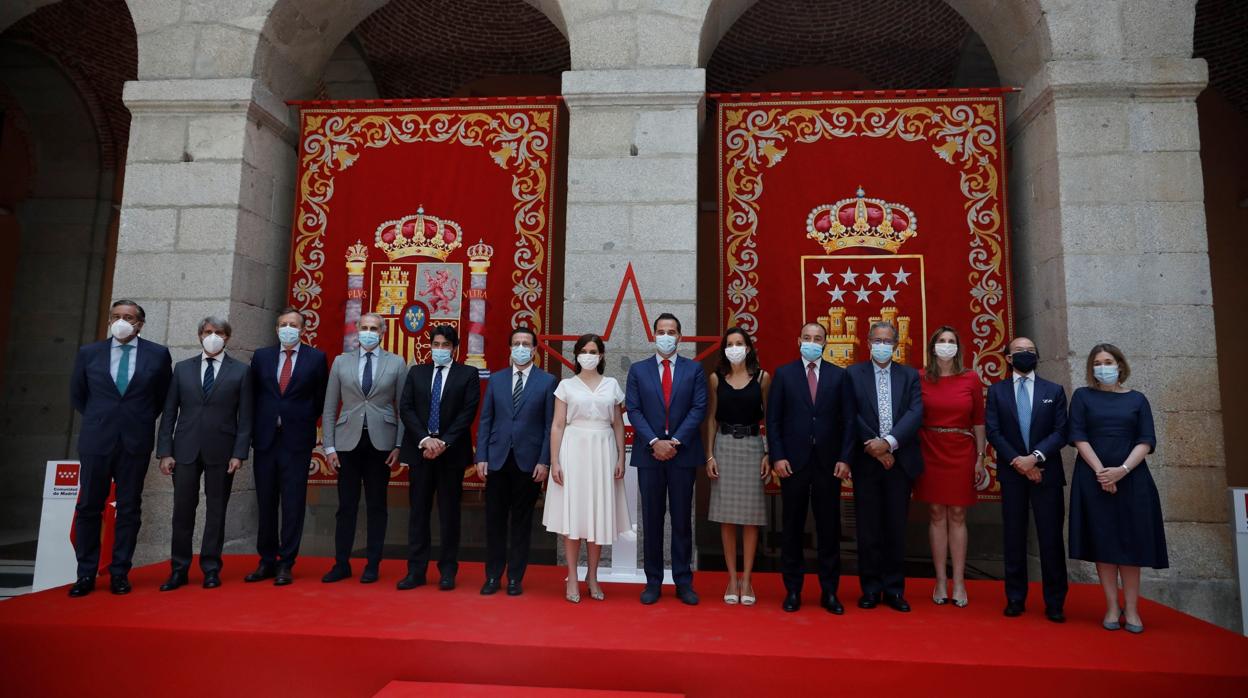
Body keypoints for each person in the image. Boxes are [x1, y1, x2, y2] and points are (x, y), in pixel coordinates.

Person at [67, 300, 172, 597]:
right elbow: (78, 395)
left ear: (140, 323)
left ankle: (119, 572)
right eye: (116, 316)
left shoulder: (158, 354)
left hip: (134, 441)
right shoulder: (89, 353)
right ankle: (85, 573)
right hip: (97, 440)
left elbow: (161, 397)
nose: (121, 321)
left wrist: (134, 420)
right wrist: (104, 419)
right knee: (89, 506)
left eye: (128, 317)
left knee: (128, 508)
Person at [1068, 344, 1167, 634]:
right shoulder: (1083, 396)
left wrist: (1121, 471)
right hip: (1093, 477)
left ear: (1120, 365)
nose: (1103, 367)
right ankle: (1112, 605)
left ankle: (1133, 609)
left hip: (1132, 479)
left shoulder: (1138, 399)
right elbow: (1078, 435)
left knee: (1131, 544)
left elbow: (1146, 440)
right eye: (1097, 363)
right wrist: (1102, 472)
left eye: (1108, 361)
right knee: (1104, 542)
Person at [156, 316, 252, 591]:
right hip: (184, 450)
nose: (213, 336)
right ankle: (179, 569)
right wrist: (165, 451)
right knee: (183, 511)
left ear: (227, 338)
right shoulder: (183, 368)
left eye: (218, 332)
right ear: (199, 335)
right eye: (208, 332)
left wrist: (239, 453)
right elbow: (169, 412)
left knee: (216, 511)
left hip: (222, 451)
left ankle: (211, 568)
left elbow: (245, 417)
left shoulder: (241, 371)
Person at [765, 322, 854, 614]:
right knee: (792, 528)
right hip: (793, 463)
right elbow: (774, 420)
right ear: (798, 340)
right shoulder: (784, 374)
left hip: (829, 464)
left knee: (829, 529)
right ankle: (793, 590)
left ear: (825, 343)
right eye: (807, 338)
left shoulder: (840, 375)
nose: (812, 342)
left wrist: (845, 458)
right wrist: (777, 456)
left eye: (818, 338)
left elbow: (848, 422)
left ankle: (830, 592)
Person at [985, 336, 1069, 622]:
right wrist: (1019, 463)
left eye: (1030, 351)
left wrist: (1035, 458)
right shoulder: (996, 392)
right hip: (1012, 473)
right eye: (1018, 351)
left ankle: (1055, 601)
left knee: (1051, 539)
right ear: (1008, 358)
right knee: (1014, 537)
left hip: (1046, 473)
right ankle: (1015, 598)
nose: (1024, 355)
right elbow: (994, 432)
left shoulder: (1054, 391)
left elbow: (1061, 432)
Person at [626, 313, 708, 606]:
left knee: (682, 520)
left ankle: (683, 581)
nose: (666, 336)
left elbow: (699, 408)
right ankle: (653, 581)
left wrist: (674, 441)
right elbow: (634, 410)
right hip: (649, 456)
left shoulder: (694, 369)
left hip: (682, 455)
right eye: (661, 331)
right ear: (653, 335)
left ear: (680, 337)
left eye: (671, 331)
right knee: (651, 519)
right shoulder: (638, 370)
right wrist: (654, 442)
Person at [543, 334, 630, 603]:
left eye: (594, 350)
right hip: (573, 450)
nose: (589, 355)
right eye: (584, 350)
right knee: (574, 516)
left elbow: (617, 424)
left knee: (597, 515)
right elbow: (557, 424)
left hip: (603, 451)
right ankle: (571, 575)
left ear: (602, 355)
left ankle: (592, 576)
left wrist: (620, 458)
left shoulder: (612, 385)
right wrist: (555, 460)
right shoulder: (566, 386)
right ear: (577, 354)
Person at [320, 313, 406, 585]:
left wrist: (399, 444)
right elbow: (331, 407)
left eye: (374, 328)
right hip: (347, 442)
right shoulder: (341, 362)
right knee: (346, 506)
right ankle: (341, 563)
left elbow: (403, 407)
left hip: (381, 442)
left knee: (377, 505)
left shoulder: (396, 362)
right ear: (356, 330)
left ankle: (372, 563)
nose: (368, 332)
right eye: (364, 327)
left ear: (382, 332)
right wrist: (329, 446)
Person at [247, 307, 328, 586]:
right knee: (266, 500)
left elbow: (319, 399)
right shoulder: (261, 357)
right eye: (283, 324)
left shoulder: (316, 358)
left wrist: (298, 419)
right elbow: (253, 396)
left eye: (293, 324)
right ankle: (266, 560)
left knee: (293, 502)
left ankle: (286, 562)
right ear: (276, 329)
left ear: (303, 329)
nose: (288, 329)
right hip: (266, 439)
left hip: (296, 439)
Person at [846, 320, 923, 612]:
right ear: (867, 342)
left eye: (887, 340)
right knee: (868, 529)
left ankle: (893, 590)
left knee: (895, 528)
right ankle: (870, 588)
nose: (882, 345)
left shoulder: (909, 376)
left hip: (899, 462)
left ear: (896, 344)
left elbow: (915, 413)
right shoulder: (853, 374)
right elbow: (850, 413)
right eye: (877, 340)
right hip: (866, 461)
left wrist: (889, 443)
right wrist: (875, 447)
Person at [397, 325, 481, 591]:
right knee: (418, 513)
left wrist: (443, 442)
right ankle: (416, 571)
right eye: (436, 344)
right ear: (430, 346)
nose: (440, 349)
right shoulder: (417, 372)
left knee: (449, 514)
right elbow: (406, 408)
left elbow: (467, 413)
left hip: (451, 454)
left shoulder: (467, 374)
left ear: (455, 348)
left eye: (446, 345)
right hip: (421, 451)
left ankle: (447, 571)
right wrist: (425, 439)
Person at [476, 327, 556, 596]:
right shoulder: (497, 380)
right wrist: (482, 456)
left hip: (529, 461)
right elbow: (486, 419)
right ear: (510, 348)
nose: (521, 348)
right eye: (516, 343)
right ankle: (492, 576)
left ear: (534, 350)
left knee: (521, 522)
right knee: (494, 520)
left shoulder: (547, 381)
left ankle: (515, 577)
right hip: (497, 459)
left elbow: (549, 426)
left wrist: (544, 461)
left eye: (526, 344)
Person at [913, 326, 986, 608]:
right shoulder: (920, 377)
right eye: (941, 341)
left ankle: (959, 581)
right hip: (929, 447)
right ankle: (940, 579)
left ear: (958, 347)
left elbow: (979, 420)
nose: (946, 345)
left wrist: (980, 456)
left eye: (951, 341)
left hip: (962, 449)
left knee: (957, 513)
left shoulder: (971, 378)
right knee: (935, 512)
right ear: (933, 347)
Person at [705, 327, 771, 606]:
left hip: (754, 446)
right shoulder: (716, 379)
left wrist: (768, 452)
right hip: (724, 444)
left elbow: (769, 418)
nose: (735, 348)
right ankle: (732, 578)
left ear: (748, 347)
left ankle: (748, 579)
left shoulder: (763, 378)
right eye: (730, 344)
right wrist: (709, 455)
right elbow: (710, 419)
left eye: (739, 343)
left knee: (751, 517)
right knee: (727, 516)